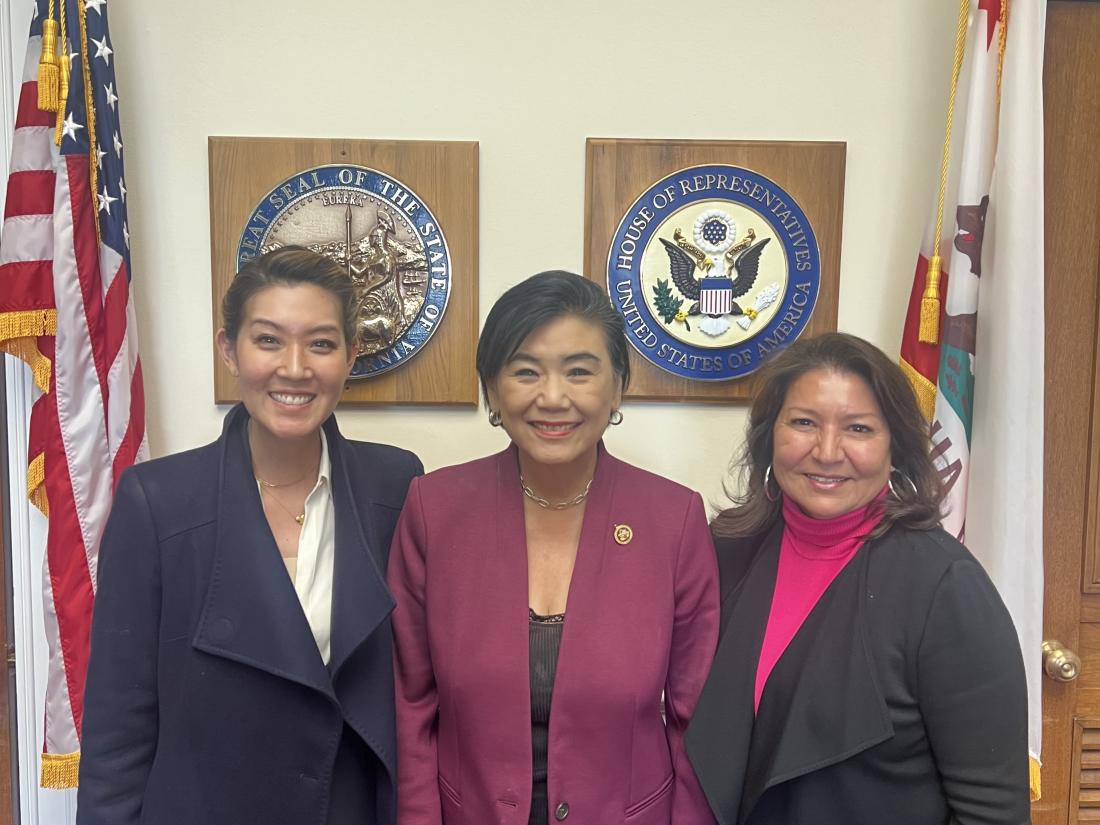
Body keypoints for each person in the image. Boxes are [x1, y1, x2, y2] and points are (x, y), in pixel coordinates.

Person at [76, 246, 422, 825]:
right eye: (267, 340)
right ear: (228, 350)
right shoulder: (157, 501)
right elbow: (119, 728)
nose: (294, 367)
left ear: (351, 355)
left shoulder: (397, 484)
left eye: (321, 343)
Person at [388, 271, 719, 825]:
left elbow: (696, 719)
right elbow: (409, 703)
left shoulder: (673, 519)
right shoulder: (434, 509)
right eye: (525, 371)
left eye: (579, 372)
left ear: (617, 386)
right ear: (492, 389)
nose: (552, 397)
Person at [684, 332, 1030, 825]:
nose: (827, 451)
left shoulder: (945, 586)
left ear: (896, 446)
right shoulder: (725, 551)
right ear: (769, 435)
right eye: (804, 422)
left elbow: (991, 813)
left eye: (859, 429)